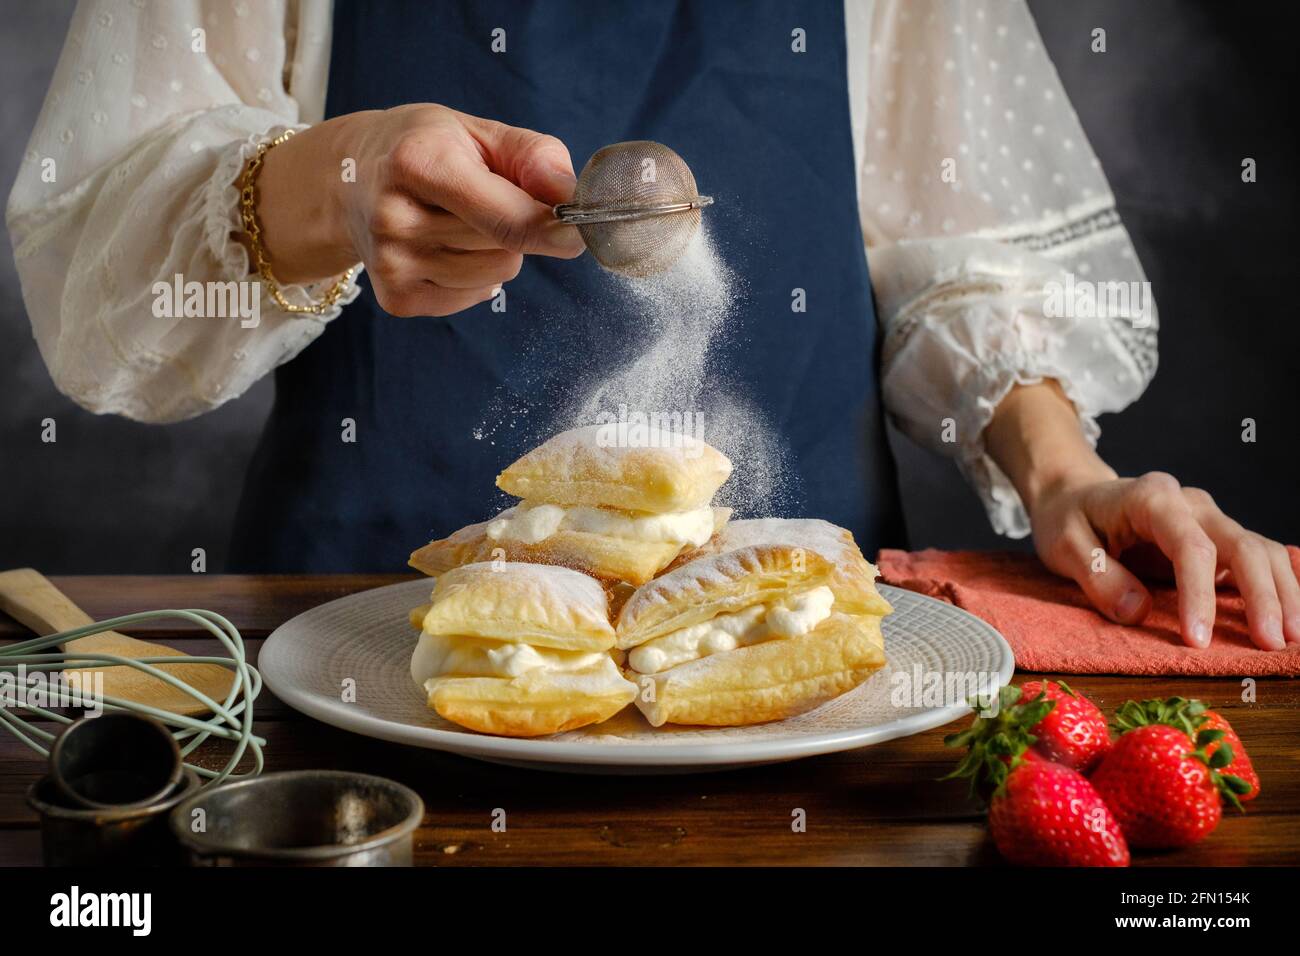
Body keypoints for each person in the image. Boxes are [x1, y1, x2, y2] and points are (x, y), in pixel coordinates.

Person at [7, 0, 1297, 652]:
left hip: (792, 664)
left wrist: (1063, 471)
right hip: (365, 645)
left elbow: (957, 237)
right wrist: (329, 182)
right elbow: (96, 253)